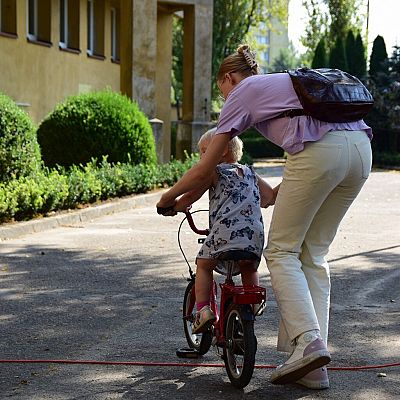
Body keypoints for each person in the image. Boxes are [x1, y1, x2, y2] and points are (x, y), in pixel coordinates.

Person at [157, 44, 372, 389]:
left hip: (320, 151)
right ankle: (313, 367)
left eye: (221, 89)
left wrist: (167, 199)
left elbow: (204, 169)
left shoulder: (241, 93)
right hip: (361, 149)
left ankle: (308, 343)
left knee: (282, 251)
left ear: (228, 78)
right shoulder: (281, 82)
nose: (224, 98)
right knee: (312, 253)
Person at [170, 128, 275, 334]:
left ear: (223, 150)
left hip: (224, 234)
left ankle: (203, 310)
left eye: (204, 151)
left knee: (204, 264)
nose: (201, 157)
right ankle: (252, 301)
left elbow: (190, 197)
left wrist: (175, 207)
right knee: (249, 268)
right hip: (253, 237)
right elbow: (269, 197)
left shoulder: (214, 173)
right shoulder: (250, 173)